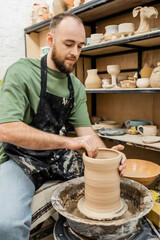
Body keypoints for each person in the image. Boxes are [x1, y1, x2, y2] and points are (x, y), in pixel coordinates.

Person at [0, 12, 126, 240]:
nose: (75, 53)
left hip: (55, 155)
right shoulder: (21, 73)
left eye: (80, 46)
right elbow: (6, 129)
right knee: (7, 225)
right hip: (20, 157)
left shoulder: (75, 87)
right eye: (69, 44)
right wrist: (69, 142)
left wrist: (109, 156)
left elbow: (86, 133)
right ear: (50, 40)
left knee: (112, 193)